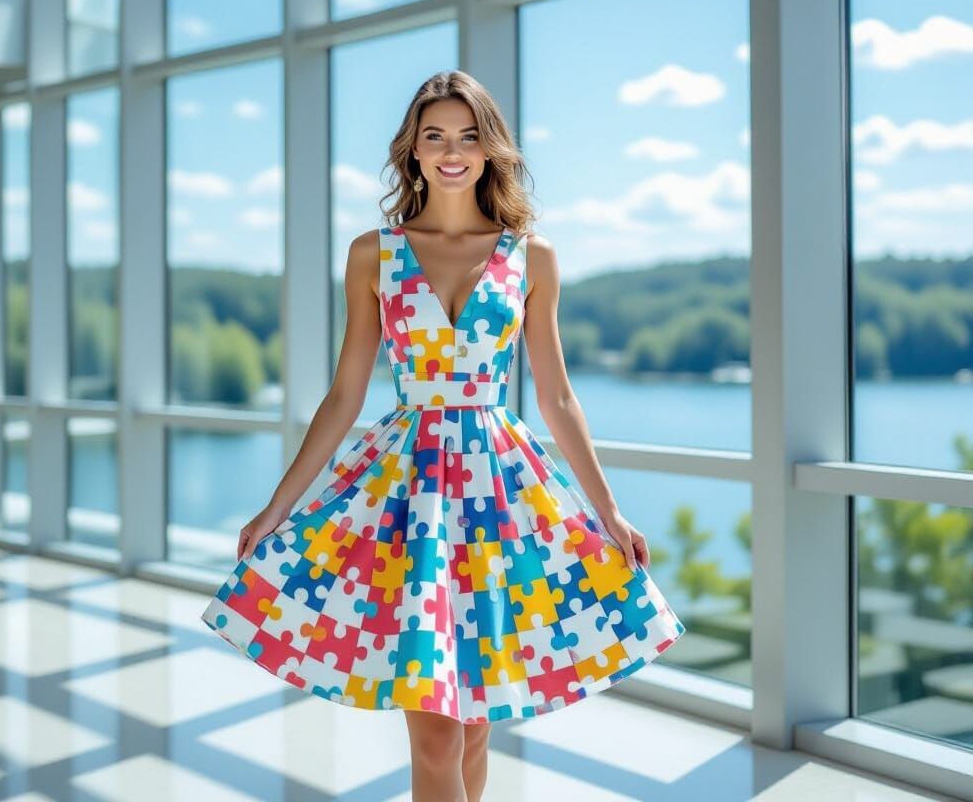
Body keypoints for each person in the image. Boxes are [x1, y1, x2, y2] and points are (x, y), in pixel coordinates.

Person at [201, 69, 685, 802]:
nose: (452, 151)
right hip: (406, 496)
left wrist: (608, 510)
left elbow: (555, 396)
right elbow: (343, 395)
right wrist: (276, 509)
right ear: (413, 150)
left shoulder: (532, 256)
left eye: (468, 136)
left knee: (477, 721)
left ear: (491, 150)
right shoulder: (375, 252)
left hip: (500, 496)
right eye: (435, 137)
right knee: (436, 733)